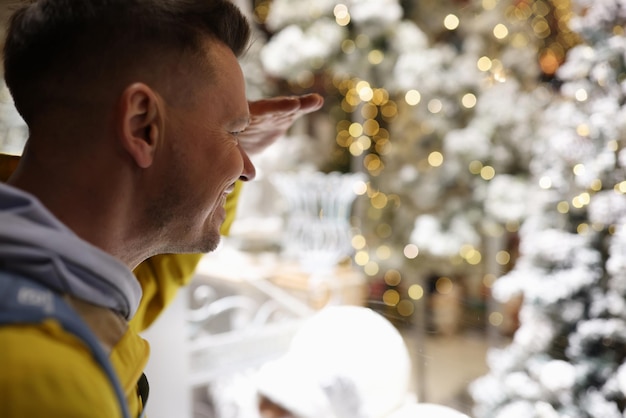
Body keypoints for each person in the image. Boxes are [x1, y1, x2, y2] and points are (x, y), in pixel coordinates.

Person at [0, 1, 322, 417]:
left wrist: (224, 154)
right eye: (233, 132)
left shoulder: (54, 279)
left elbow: (149, 267)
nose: (248, 168)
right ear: (142, 126)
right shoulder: (50, 384)